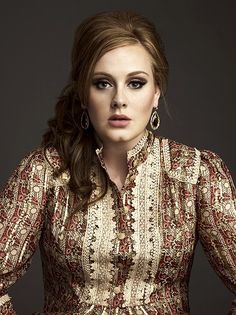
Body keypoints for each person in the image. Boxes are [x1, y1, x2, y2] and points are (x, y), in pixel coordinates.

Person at [0, 10, 235, 315]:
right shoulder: (43, 172)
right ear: (84, 94)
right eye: (102, 83)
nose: (119, 99)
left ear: (156, 92)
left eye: (136, 83)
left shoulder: (195, 173)